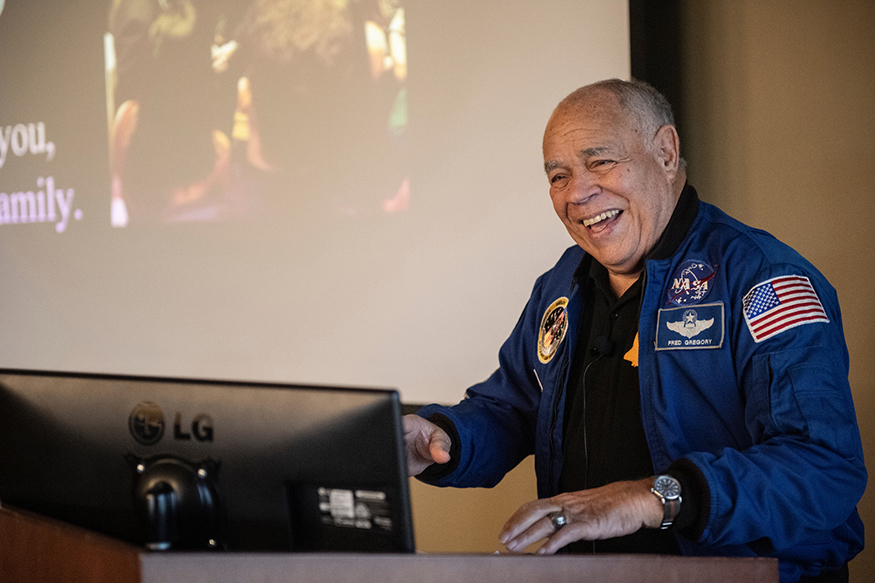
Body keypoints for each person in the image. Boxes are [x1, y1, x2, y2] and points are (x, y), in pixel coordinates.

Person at [403, 79, 866, 583]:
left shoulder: (762, 279)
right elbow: (511, 409)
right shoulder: (563, 284)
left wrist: (653, 497)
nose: (577, 192)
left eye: (600, 162)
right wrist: (442, 436)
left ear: (666, 152)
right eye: (558, 175)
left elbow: (822, 466)